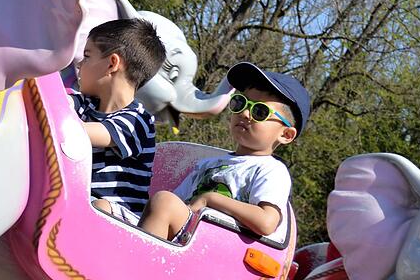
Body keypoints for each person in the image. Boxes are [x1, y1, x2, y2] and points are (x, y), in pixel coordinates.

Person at [137, 62, 311, 242]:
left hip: (220, 248)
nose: (244, 113)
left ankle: (138, 263)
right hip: (185, 238)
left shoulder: (271, 170)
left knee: (164, 202)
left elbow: (266, 222)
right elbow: (178, 203)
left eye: (259, 111)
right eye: (240, 103)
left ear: (286, 134)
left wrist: (210, 198)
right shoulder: (207, 165)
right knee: (107, 205)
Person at [69, 18, 166, 225]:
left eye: (87, 56)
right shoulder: (84, 104)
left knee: (100, 207)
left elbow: (79, 131)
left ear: (112, 63)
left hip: (122, 218)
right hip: (79, 201)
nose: (79, 64)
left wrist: (54, 118)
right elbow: (55, 105)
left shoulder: (138, 120)